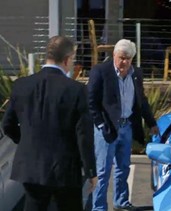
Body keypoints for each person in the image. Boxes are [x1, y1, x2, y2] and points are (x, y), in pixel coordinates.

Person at [1, 35, 97, 211]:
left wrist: (26, 142)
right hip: (66, 170)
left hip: (32, 168)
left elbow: (7, 125)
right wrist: (91, 172)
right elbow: (84, 135)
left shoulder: (22, 85)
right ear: (67, 59)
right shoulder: (77, 90)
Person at [87, 39, 159, 211]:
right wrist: (100, 124)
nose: (124, 62)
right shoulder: (101, 71)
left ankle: (121, 201)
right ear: (114, 55)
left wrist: (151, 123)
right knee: (103, 171)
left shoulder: (136, 74)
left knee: (123, 167)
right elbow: (91, 101)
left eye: (128, 58)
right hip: (107, 128)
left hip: (126, 127)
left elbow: (141, 101)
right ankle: (98, 207)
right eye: (121, 58)